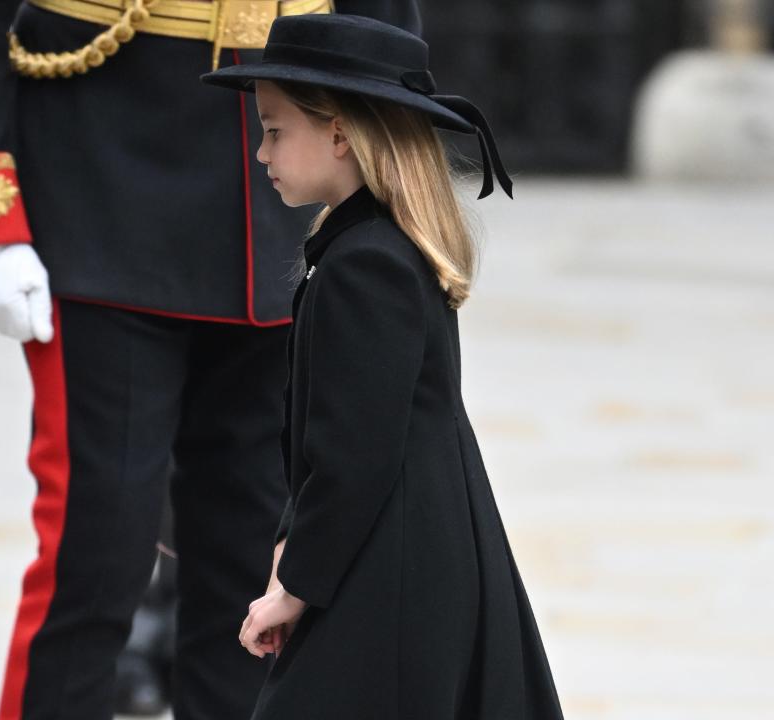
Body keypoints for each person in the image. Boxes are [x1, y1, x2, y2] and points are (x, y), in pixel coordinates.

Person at [0, 1, 419, 719]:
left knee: (259, 578)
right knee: (94, 559)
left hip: (284, 204)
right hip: (96, 180)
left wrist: (391, 187)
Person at [202, 14, 565, 719]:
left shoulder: (365, 265)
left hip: (388, 574)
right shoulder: (368, 249)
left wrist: (294, 584)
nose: (260, 152)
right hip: (398, 556)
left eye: (275, 130)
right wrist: (290, 546)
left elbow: (353, 457)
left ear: (338, 133)